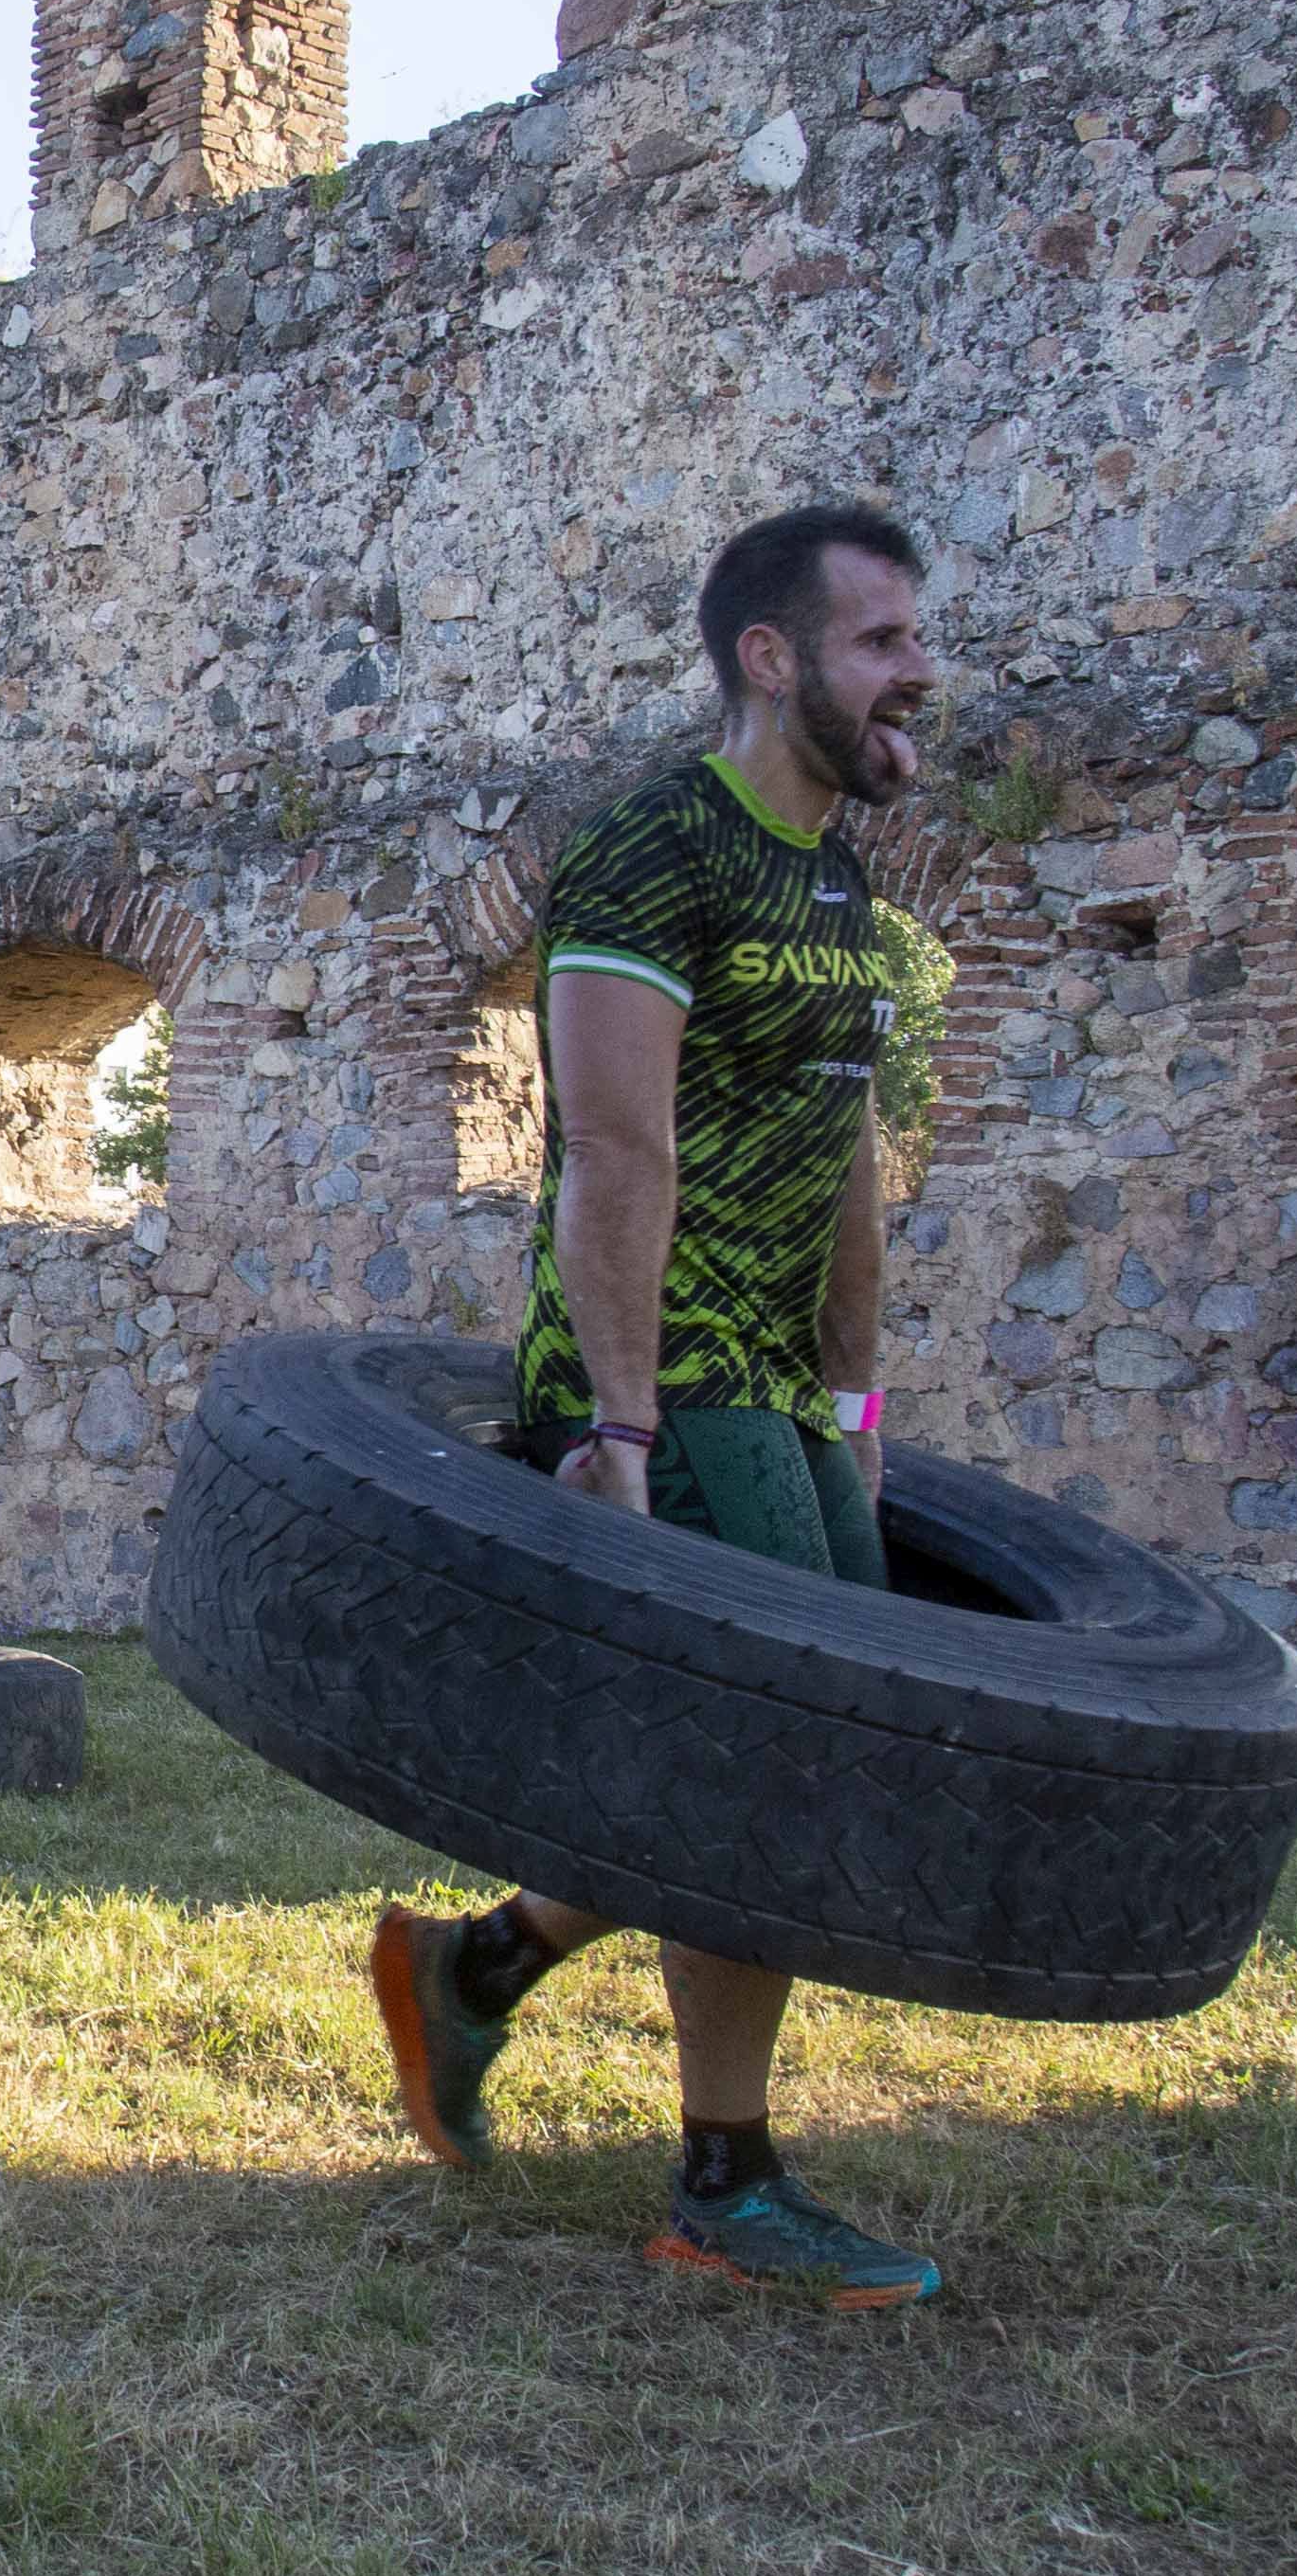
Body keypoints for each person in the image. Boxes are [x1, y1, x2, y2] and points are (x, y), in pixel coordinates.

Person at [368, 501, 953, 2311]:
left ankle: (474, 1966)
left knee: (807, 1748)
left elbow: (849, 1152)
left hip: (779, 1386)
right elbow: (614, 1152)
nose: (915, 670)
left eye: (916, 637)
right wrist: (612, 1428)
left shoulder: (844, 881)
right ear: (766, 659)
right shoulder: (650, 856)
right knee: (768, 1759)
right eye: (877, 641)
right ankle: (723, 2177)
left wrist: (854, 1395)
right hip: (662, 1371)